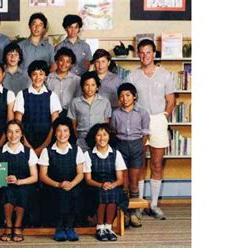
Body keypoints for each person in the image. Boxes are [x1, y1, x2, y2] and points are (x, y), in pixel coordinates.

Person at [126, 39, 175, 220]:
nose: (145, 56)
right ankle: (139, 204)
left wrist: (164, 116)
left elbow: (171, 100)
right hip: (138, 121)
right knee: (138, 165)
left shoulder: (165, 75)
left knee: (156, 163)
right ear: (138, 54)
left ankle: (153, 205)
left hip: (157, 120)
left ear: (154, 54)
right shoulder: (132, 76)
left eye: (148, 52)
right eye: (142, 52)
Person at [38, 117, 85, 242]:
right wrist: (59, 184)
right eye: (59, 131)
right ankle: (59, 228)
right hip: (53, 185)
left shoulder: (77, 149)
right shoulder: (46, 151)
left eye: (65, 131)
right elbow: (43, 176)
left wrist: (71, 184)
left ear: (70, 133)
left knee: (74, 193)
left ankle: (70, 227)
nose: (62, 134)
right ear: (54, 132)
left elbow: (80, 173)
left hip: (72, 184)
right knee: (59, 194)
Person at [110, 83, 150, 228]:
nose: (124, 98)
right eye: (121, 96)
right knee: (123, 182)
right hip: (120, 146)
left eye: (128, 95)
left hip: (136, 146)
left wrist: (140, 147)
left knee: (134, 181)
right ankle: (124, 213)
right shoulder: (115, 114)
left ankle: (134, 213)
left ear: (134, 96)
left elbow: (145, 133)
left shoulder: (142, 113)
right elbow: (113, 131)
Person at [0, 120, 38, 242]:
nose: (13, 135)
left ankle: (17, 226)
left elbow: (35, 177)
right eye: (10, 132)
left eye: (17, 131)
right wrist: (1, 180)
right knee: (8, 191)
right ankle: (8, 225)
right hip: (5, 186)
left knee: (22, 191)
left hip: (24, 184)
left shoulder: (29, 152)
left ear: (22, 134)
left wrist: (19, 181)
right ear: (6, 134)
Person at [84, 123, 126, 242]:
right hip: (94, 185)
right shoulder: (88, 154)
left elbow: (120, 179)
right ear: (94, 137)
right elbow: (88, 179)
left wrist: (113, 184)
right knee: (101, 193)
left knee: (112, 193)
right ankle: (100, 227)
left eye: (105, 134)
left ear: (110, 136)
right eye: (98, 135)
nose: (102, 138)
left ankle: (108, 227)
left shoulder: (116, 154)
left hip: (113, 184)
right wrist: (101, 185)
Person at [14, 60, 62, 156]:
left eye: (41, 74)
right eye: (34, 74)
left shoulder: (52, 96)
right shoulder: (22, 94)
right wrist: (28, 147)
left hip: (47, 143)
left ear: (45, 76)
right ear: (30, 76)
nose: (38, 77)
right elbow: (17, 124)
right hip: (25, 142)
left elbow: (55, 125)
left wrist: (43, 147)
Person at [68, 71, 111, 152]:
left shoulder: (105, 102)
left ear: (97, 87)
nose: (90, 88)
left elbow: (106, 123)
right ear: (82, 87)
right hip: (82, 141)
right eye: (87, 85)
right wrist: (78, 138)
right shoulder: (75, 102)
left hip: (99, 141)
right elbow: (73, 124)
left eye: (93, 85)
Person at [46, 47, 81, 117]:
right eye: (61, 60)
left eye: (68, 62)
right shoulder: (48, 78)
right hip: (51, 113)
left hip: (70, 113)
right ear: (56, 61)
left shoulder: (76, 80)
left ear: (71, 64)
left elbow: (78, 99)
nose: (64, 64)